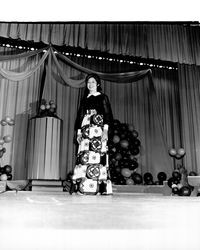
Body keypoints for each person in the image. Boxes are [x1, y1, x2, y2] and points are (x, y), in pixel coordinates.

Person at [70, 73, 113, 195]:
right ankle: (83, 187)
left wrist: (105, 131)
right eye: (89, 82)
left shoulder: (103, 97)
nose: (90, 84)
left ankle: (99, 188)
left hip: (98, 129)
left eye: (93, 82)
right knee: (84, 155)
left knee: (97, 156)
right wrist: (78, 132)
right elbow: (79, 116)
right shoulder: (85, 99)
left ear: (98, 84)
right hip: (85, 129)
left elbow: (107, 114)